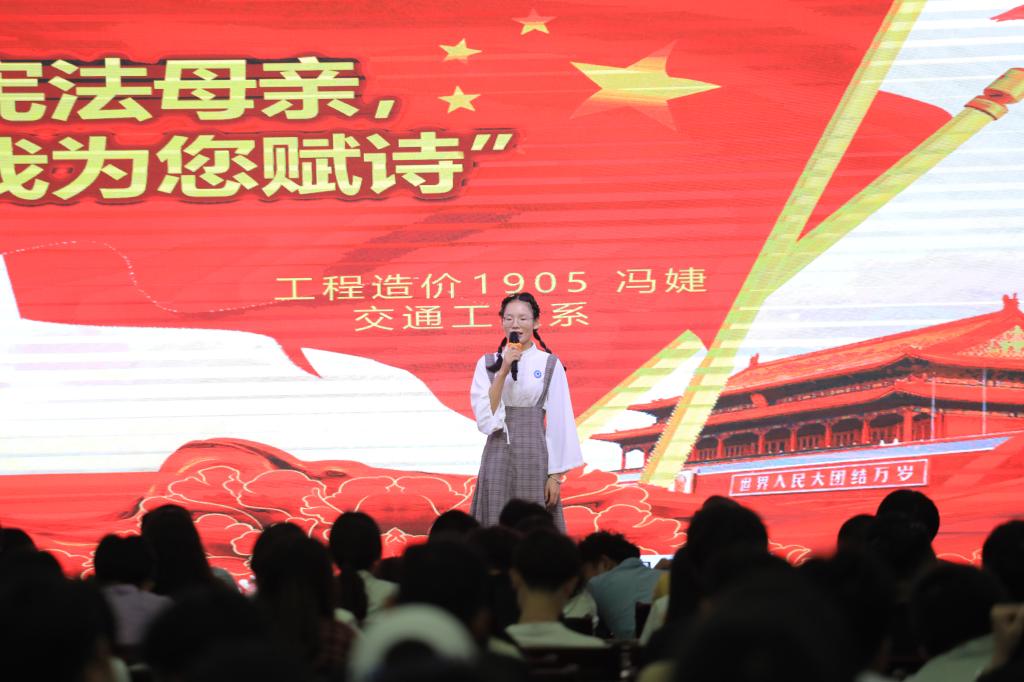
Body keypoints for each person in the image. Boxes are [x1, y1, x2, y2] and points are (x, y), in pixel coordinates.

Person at [470, 292, 583, 530]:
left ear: (536, 322)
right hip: (497, 454)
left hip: (535, 455)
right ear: (502, 322)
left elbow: (560, 421)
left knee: (534, 527)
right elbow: (486, 419)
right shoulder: (488, 363)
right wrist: (503, 369)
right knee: (496, 527)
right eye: (509, 318)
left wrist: (555, 476)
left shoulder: (549, 363)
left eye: (523, 318)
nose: (515, 324)